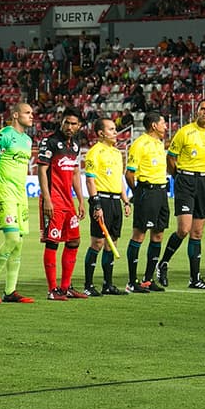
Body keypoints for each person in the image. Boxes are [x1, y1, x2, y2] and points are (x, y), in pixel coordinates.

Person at [158, 99, 205, 289]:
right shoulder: (185, 132)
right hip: (185, 180)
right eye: (202, 109)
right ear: (197, 112)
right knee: (184, 229)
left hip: (203, 182)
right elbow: (170, 157)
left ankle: (195, 279)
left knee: (197, 233)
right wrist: (177, 176)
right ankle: (163, 263)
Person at [0, 102, 36, 303]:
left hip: (20, 195)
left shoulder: (28, 140)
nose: (32, 116)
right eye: (27, 113)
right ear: (15, 115)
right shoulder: (3, 136)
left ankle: (10, 291)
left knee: (19, 244)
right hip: (4, 192)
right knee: (12, 239)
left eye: (32, 113)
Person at [37, 108, 89, 300]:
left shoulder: (75, 145)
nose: (69, 127)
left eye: (73, 124)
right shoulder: (49, 142)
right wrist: (47, 199)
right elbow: (42, 171)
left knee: (74, 240)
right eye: (66, 122)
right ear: (61, 122)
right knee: (52, 243)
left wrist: (81, 200)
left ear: (79, 126)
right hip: (53, 200)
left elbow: (75, 172)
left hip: (68, 201)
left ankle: (65, 287)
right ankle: (52, 290)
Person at [81, 117, 130, 295]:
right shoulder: (94, 152)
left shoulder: (117, 153)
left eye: (115, 129)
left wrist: (126, 201)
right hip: (101, 200)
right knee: (98, 242)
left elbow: (119, 179)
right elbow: (89, 180)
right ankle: (88, 286)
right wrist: (96, 204)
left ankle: (107, 284)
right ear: (101, 133)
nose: (115, 132)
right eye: (111, 129)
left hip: (116, 201)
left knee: (112, 243)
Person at [124, 110, 170, 293]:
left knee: (158, 234)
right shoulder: (139, 144)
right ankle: (131, 281)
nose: (166, 126)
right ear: (154, 125)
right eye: (163, 123)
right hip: (147, 191)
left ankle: (148, 279)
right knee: (139, 235)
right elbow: (130, 173)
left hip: (161, 192)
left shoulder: (159, 143)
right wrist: (138, 192)